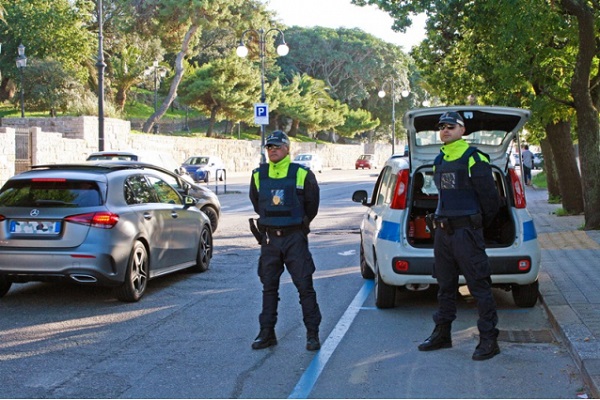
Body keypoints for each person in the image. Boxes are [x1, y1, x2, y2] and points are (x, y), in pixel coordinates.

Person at [418, 111, 501, 361]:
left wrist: (474, 225)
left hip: (466, 233)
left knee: (479, 287)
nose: (445, 130)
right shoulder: (439, 160)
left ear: (462, 130)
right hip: (443, 234)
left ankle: (489, 340)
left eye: (451, 126)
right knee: (445, 287)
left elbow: (491, 200)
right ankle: (443, 334)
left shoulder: (474, 158)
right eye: (442, 127)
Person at [248, 130, 322, 351]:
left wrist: (298, 224)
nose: (272, 150)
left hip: (294, 238)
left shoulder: (302, 174)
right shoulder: (258, 175)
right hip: (270, 239)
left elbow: (312, 205)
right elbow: (257, 203)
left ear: (287, 149)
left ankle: (312, 334)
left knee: (304, 287)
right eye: (269, 147)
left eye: (277, 147)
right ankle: (267, 333)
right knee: (269, 287)